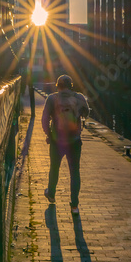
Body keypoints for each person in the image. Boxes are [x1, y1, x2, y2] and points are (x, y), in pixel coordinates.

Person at [41, 74, 90, 214]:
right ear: (71, 86)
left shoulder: (52, 98)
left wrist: (49, 134)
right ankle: (74, 205)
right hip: (74, 141)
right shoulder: (79, 97)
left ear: (57, 86)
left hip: (57, 141)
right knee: (75, 172)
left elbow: (44, 119)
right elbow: (86, 113)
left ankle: (51, 193)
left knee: (54, 168)